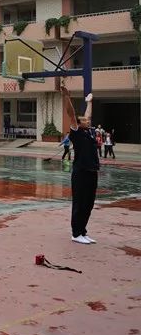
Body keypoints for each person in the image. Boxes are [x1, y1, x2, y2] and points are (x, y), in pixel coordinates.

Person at [62, 86, 99, 244]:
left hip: (92, 171)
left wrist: (89, 102)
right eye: (84, 120)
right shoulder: (76, 131)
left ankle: (83, 231)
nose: (87, 120)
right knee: (80, 202)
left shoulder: (89, 131)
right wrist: (66, 97)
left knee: (89, 204)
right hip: (80, 172)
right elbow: (70, 112)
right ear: (77, 123)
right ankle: (76, 233)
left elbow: (88, 114)